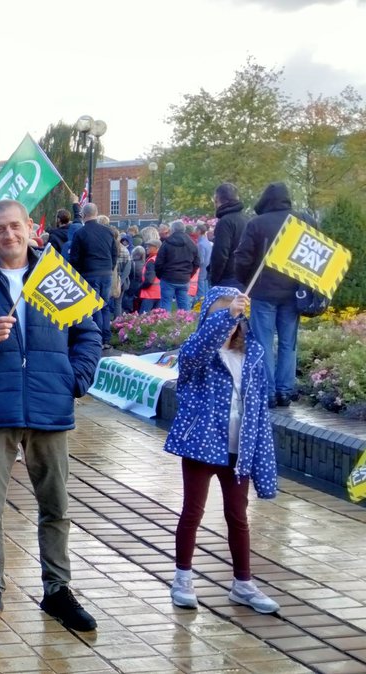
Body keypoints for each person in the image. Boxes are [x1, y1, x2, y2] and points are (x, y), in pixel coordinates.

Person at [0, 199, 102, 633]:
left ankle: (57, 590)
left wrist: (75, 379)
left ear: (31, 229)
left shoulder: (57, 276)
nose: (8, 235)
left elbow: (88, 332)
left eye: (16, 227)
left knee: (56, 506)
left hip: (50, 403)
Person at [165, 287, 279, 614]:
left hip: (237, 450)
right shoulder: (198, 353)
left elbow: (259, 413)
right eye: (219, 313)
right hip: (201, 445)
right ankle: (182, 578)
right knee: (193, 511)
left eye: (234, 313)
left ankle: (243, 584)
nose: (229, 320)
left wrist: (264, 470)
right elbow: (194, 352)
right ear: (209, 318)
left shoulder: (252, 355)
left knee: (238, 516)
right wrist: (223, 318)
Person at [234, 182, 301, 408]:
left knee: (263, 342)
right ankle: (285, 390)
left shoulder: (257, 223)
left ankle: (268, 391)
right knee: (288, 343)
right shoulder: (304, 221)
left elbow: (242, 258)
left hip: (264, 292)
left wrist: (248, 283)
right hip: (294, 294)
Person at [68, 203, 118, 347]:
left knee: (94, 307)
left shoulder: (80, 233)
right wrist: (110, 267)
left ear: (83, 215)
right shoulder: (108, 231)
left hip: (90, 273)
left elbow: (75, 258)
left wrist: (77, 274)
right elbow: (114, 253)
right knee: (105, 306)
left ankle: (96, 338)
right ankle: (106, 339)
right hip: (106, 272)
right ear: (96, 213)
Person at [155, 220, 201, 312]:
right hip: (184, 278)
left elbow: (159, 262)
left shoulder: (166, 243)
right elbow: (197, 262)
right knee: (184, 304)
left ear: (172, 230)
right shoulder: (192, 244)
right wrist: (189, 274)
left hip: (168, 277)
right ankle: (185, 324)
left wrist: (160, 275)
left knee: (166, 303)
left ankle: (165, 324)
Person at [209, 183, 247, 289]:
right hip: (244, 275)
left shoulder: (225, 222)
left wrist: (214, 278)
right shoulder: (246, 220)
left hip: (227, 277)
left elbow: (220, 253)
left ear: (217, 198)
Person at [140, 241, 162, 313]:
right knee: (156, 319)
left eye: (149, 247)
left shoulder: (152, 260)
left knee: (143, 318)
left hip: (149, 293)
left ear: (157, 248)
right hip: (159, 293)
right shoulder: (160, 259)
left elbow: (149, 279)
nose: (146, 248)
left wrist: (140, 287)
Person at [196, 224, 213, 299]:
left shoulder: (201, 244)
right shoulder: (207, 242)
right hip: (207, 266)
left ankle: (201, 301)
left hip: (202, 268)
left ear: (199, 231)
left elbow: (201, 260)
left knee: (201, 285)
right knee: (205, 284)